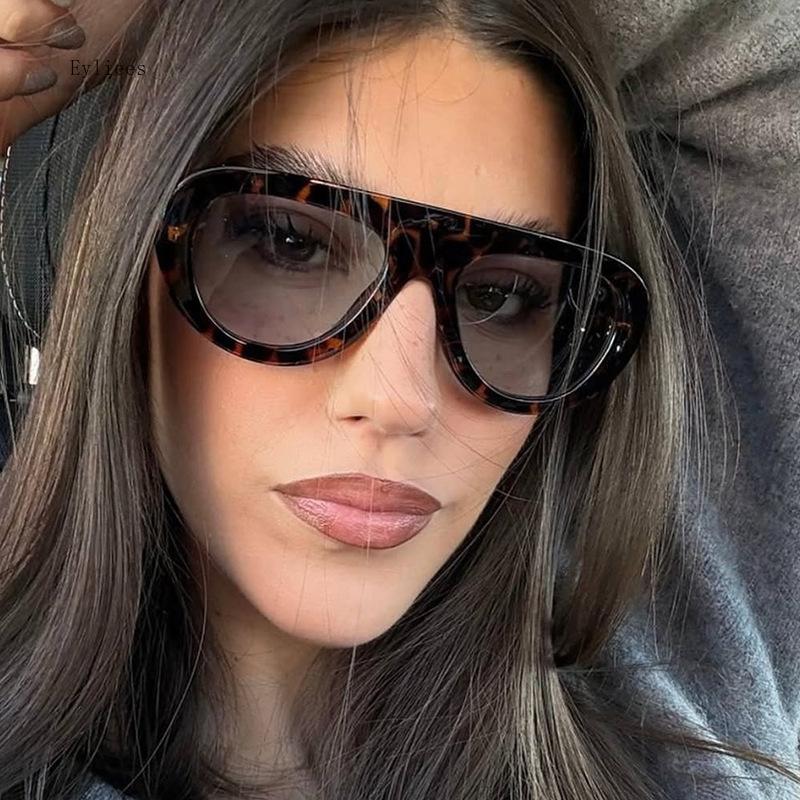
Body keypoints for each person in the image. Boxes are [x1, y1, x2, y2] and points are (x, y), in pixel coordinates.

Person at [0, 1, 797, 799]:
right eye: (290, 244)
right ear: (127, 256)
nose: (401, 400)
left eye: (501, 295)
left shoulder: (684, 698)